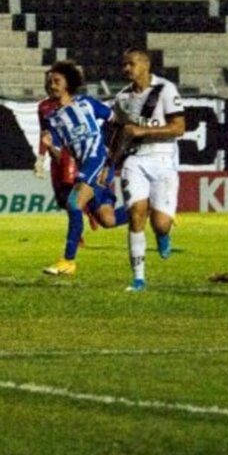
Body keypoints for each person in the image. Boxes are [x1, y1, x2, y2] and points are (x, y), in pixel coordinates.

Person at [40, 60, 127, 276]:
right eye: (49, 81)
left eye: (56, 81)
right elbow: (60, 157)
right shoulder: (53, 120)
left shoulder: (86, 103)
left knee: (73, 203)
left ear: (68, 83)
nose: (52, 85)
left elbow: (118, 122)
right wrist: (50, 147)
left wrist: (111, 154)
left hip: (98, 160)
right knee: (107, 220)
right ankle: (150, 208)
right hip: (84, 165)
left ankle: (68, 260)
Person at [109, 49, 185, 292]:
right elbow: (120, 132)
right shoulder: (122, 99)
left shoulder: (165, 90)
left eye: (130, 64)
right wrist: (111, 162)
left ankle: (163, 235)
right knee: (135, 215)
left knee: (160, 223)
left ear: (146, 65)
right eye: (124, 65)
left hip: (163, 160)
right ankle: (138, 278)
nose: (126, 69)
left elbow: (178, 128)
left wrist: (143, 131)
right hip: (135, 161)